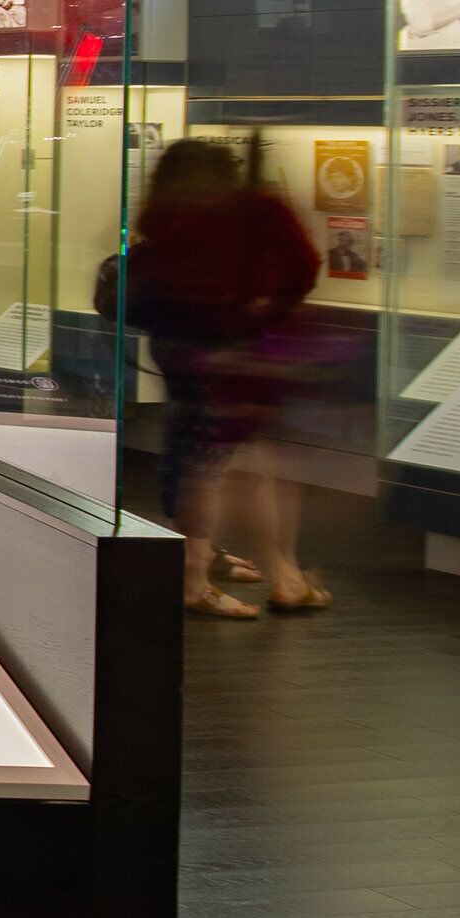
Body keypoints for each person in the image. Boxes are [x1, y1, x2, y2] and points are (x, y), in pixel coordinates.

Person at [124, 140, 331, 618]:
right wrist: (265, 309)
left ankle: (266, 574)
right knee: (233, 462)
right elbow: (303, 266)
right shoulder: (253, 208)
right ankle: (212, 576)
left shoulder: (165, 213)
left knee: (206, 456)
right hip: (237, 348)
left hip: (179, 346)